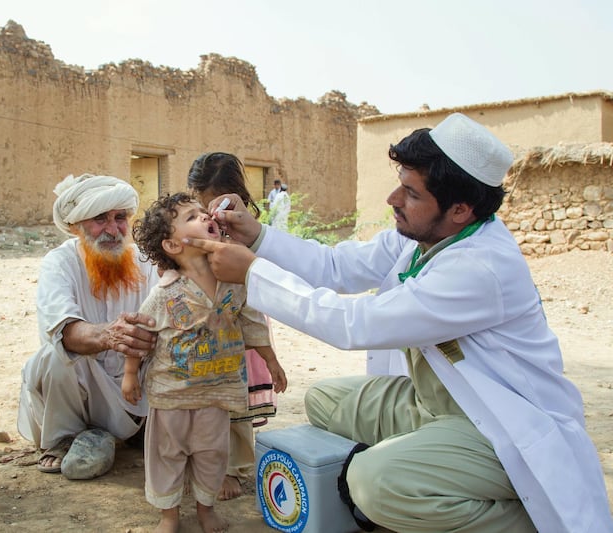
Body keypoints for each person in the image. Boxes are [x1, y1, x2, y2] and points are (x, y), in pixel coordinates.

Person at [183, 113, 613, 532]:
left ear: (460, 208)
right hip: (431, 403)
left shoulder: (481, 268)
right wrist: (256, 235)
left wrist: (254, 272)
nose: (393, 199)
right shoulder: (427, 235)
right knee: (324, 399)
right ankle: (428, 466)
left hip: (494, 424)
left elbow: (356, 323)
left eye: (410, 192)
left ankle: (529, 520)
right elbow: (335, 266)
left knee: (372, 483)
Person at [125, 192, 287, 533]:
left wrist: (271, 362)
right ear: (172, 246)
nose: (205, 217)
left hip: (217, 392)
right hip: (172, 393)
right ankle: (168, 515)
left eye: (204, 213)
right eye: (191, 217)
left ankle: (205, 508)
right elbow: (140, 334)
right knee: (166, 455)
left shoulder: (235, 283)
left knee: (212, 454)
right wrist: (130, 375)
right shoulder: (166, 293)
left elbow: (253, 324)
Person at [17, 173, 160, 480]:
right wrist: (108, 335)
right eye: (99, 219)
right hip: (83, 388)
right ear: (76, 226)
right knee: (53, 358)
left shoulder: (146, 261)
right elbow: (64, 329)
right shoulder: (60, 262)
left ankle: (137, 428)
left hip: (134, 385)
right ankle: (65, 439)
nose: (113, 229)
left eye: (120, 217)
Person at [187, 151, 282, 500]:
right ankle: (203, 463)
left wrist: (268, 356)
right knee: (205, 404)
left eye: (220, 207)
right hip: (203, 331)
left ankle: (235, 468)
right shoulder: (192, 228)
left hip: (242, 327)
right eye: (203, 207)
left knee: (236, 403)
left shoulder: (246, 233)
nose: (214, 217)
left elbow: (253, 301)